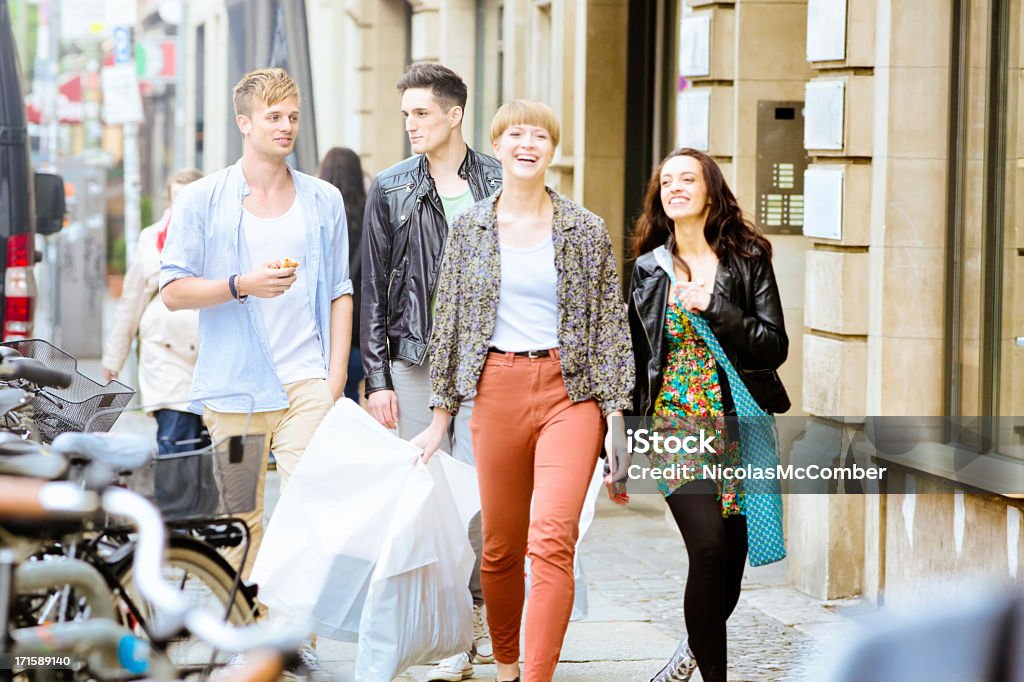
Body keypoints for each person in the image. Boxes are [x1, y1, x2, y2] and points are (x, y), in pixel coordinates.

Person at [413, 99, 634, 682]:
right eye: (516, 134)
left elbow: (610, 323)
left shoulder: (585, 229)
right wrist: (440, 417)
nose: (527, 144)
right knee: (501, 548)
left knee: (552, 539)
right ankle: (506, 667)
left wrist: (616, 418)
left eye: (540, 135)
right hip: (497, 389)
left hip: (572, 392)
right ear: (498, 144)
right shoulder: (472, 228)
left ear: (552, 150)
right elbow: (451, 323)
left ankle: (537, 677)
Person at [160, 67, 353, 587]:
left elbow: (340, 289)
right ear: (244, 123)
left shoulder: (323, 200)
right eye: (273, 117)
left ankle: (295, 636)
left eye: (292, 116)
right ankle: (253, 634)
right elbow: (173, 290)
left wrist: (333, 381)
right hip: (235, 391)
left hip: (306, 386)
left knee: (308, 511)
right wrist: (240, 284)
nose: (286, 126)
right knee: (242, 520)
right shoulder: (202, 199)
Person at [626, 148, 790, 682]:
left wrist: (715, 306)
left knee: (731, 574)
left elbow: (773, 346)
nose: (674, 187)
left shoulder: (748, 259)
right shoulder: (648, 270)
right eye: (666, 181)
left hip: (740, 424)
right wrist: (621, 440)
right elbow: (636, 358)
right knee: (709, 549)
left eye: (687, 179)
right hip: (676, 422)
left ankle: (690, 649)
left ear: (710, 191)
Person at [361, 61, 502, 680]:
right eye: (406, 115)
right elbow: (372, 285)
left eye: (421, 113)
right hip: (413, 360)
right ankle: (443, 629)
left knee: (481, 498)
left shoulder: (500, 178)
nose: (411, 125)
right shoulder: (391, 187)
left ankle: (473, 616)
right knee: (427, 498)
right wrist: (377, 379)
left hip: (489, 359)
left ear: (454, 114)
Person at [103, 169, 209, 515]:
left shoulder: (217, 236)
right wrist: (113, 358)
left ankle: (195, 517)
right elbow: (131, 299)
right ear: (168, 200)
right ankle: (175, 519)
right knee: (174, 437)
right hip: (164, 358)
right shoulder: (151, 240)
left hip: (210, 360)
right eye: (176, 198)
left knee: (202, 445)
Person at [318, 146, 366, 402]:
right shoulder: (370, 215)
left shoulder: (316, 212)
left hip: (321, 335)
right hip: (358, 335)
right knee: (350, 406)